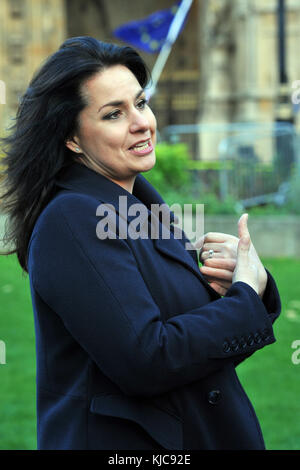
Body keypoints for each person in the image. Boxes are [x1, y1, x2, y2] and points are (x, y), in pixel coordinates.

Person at [0, 36, 281, 450]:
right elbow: (147, 360)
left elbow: (194, 351)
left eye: (141, 103)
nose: (141, 122)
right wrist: (244, 298)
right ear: (72, 138)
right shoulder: (73, 219)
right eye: (114, 114)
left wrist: (240, 283)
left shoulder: (141, 207)